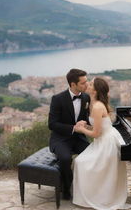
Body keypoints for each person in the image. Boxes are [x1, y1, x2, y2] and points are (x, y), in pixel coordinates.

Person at [73, 77, 131, 210]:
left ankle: (98, 197)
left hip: (106, 143)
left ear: (95, 91)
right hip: (102, 140)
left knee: (81, 163)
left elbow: (96, 134)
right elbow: (96, 128)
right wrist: (86, 125)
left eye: (91, 84)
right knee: (80, 161)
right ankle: (93, 194)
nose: (88, 85)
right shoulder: (93, 103)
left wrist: (81, 129)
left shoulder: (98, 107)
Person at [48, 68, 91, 200]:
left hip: (79, 138)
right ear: (73, 84)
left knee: (94, 153)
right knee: (66, 158)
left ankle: (87, 186)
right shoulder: (57, 99)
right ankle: (66, 188)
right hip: (60, 139)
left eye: (87, 81)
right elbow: (52, 124)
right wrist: (73, 128)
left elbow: (87, 119)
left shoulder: (86, 97)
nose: (87, 85)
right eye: (83, 83)